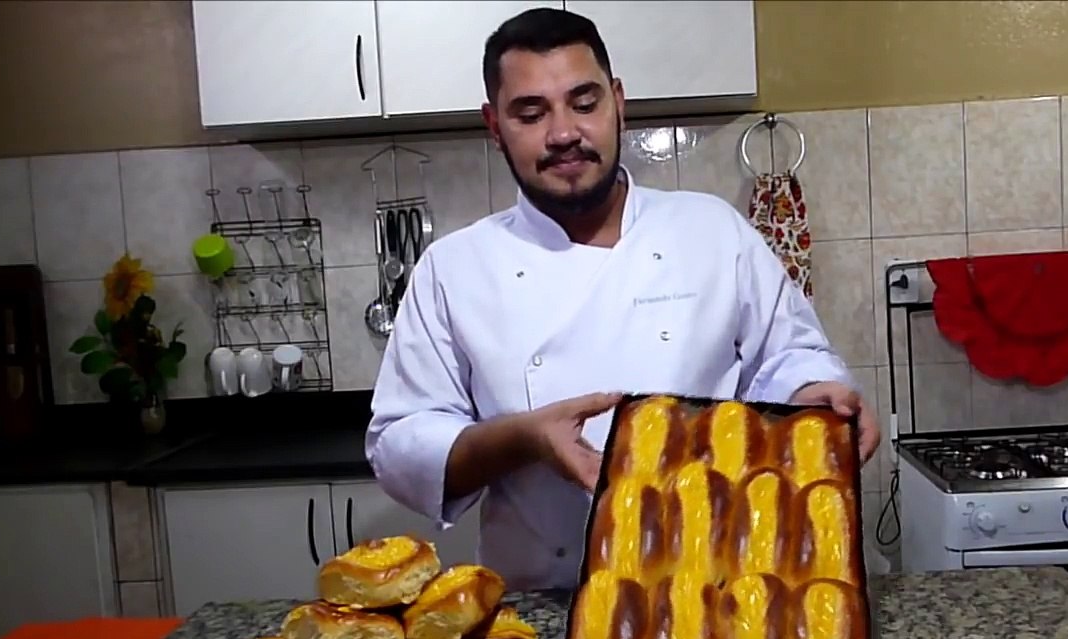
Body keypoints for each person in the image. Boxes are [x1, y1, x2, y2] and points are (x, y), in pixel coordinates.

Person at [366, 7, 881, 591]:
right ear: (494, 124)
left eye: (584, 103)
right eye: (531, 113)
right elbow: (399, 444)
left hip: (712, 587)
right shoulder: (453, 269)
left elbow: (789, 357)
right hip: (541, 605)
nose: (563, 133)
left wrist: (817, 396)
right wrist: (525, 437)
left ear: (618, 101)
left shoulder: (710, 230)